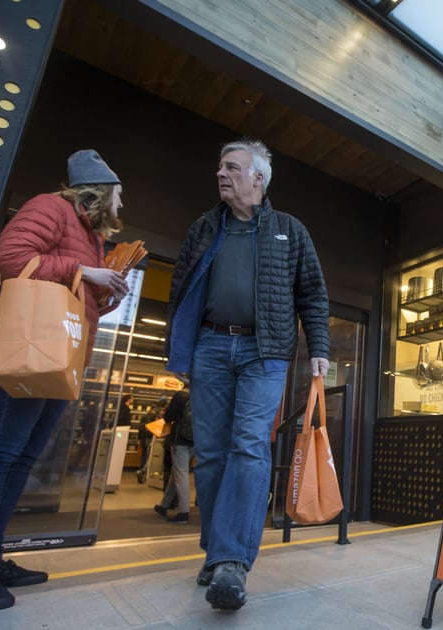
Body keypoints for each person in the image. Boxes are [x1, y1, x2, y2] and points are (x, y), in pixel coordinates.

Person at [0, 149, 131, 610]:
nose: (122, 206)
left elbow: (65, 286)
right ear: (101, 191)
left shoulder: (92, 237)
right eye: (120, 195)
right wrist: (82, 270)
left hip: (58, 356)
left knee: (20, 460)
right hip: (30, 351)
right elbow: (10, 258)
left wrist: (101, 292)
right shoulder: (52, 207)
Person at [164, 138, 330, 611]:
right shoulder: (203, 228)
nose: (221, 174)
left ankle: (232, 561)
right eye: (220, 167)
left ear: (258, 178)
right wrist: (181, 349)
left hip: (266, 351)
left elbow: (313, 294)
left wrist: (318, 347)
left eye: (233, 168)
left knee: (250, 446)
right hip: (211, 347)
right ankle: (218, 552)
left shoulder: (289, 230)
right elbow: (180, 291)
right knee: (212, 453)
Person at [154, 389, 193, 522]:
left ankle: (184, 512)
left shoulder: (181, 396)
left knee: (181, 474)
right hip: (195, 440)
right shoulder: (204, 393)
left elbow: (168, 417)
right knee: (176, 473)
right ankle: (163, 506)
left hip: (180, 440)